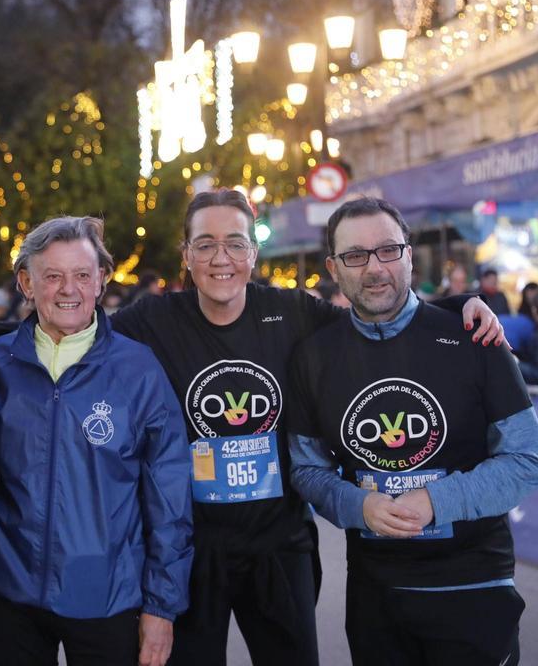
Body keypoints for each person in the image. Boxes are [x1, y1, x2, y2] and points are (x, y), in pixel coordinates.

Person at [105, 189, 506, 666]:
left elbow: (376, 315)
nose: (221, 259)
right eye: (206, 244)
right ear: (186, 255)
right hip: (192, 548)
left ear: (253, 252)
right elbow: (75, 330)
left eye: (235, 243)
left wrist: (463, 303)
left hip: (279, 544)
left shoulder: (291, 311)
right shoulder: (153, 319)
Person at [289, 197, 538, 666]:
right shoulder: (313, 357)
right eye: (355, 255)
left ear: (409, 254)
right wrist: (356, 504)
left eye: (388, 250)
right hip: (376, 594)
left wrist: (435, 501)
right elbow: (306, 469)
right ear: (334, 267)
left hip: (474, 585)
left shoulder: (476, 339)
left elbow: (528, 461)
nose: (374, 268)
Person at [0, 216, 192, 666]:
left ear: (101, 280)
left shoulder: (138, 370)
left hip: (109, 598)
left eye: (81, 275)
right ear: (26, 282)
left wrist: (161, 605)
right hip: (12, 594)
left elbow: (170, 498)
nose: (68, 289)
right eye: (52, 275)